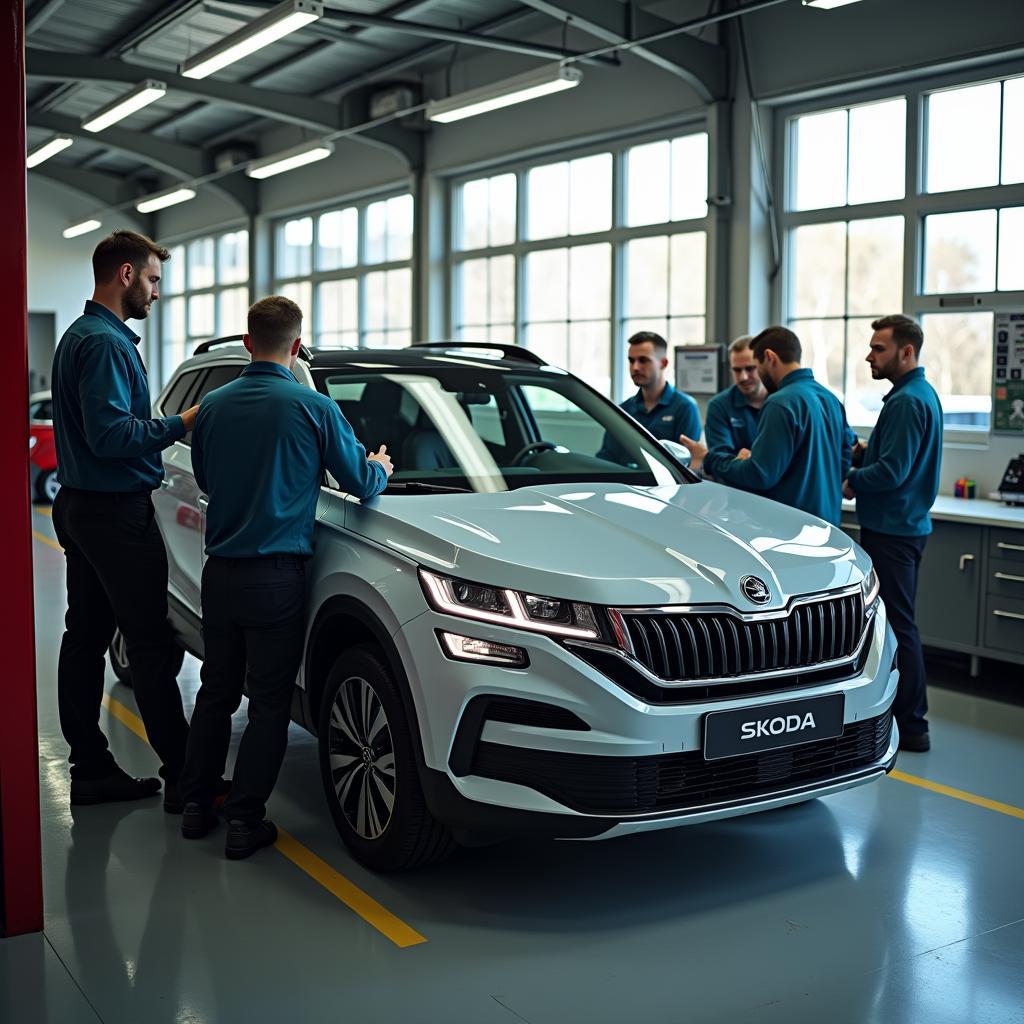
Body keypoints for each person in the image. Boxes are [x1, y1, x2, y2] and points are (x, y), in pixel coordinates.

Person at [178, 296, 393, 860]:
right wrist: (383, 467)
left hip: (220, 573)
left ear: (248, 342)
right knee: (270, 701)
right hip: (277, 577)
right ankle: (246, 820)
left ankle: (197, 804)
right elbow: (360, 483)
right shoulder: (312, 407)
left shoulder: (214, 406)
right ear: (297, 346)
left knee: (216, 691)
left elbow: (204, 479)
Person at [51, 229, 196, 807]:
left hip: (83, 508)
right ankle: (187, 778)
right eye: (154, 280)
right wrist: (184, 422)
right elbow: (112, 436)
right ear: (127, 276)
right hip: (114, 515)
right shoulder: (108, 345)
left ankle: (89, 767)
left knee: (84, 637)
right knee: (152, 644)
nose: (157, 293)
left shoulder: (79, 335)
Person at [843, 315, 942, 752]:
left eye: (878, 348)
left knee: (898, 625)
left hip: (893, 529)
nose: (869, 355)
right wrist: (865, 451)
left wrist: (851, 478)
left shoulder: (906, 402)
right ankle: (909, 719)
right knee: (900, 621)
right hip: (905, 525)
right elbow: (894, 457)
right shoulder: (917, 395)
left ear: (906, 351)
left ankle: (913, 726)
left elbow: (892, 472)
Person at [678, 326, 855, 526]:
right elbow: (844, 459)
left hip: (789, 527)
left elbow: (760, 475)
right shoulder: (831, 399)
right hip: (828, 524)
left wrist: (709, 458)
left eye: (755, 366)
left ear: (769, 357)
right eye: (737, 370)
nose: (750, 376)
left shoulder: (780, 402)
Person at [596, 331, 701, 464]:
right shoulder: (623, 410)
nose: (635, 367)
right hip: (624, 483)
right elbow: (606, 457)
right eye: (631, 360)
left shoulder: (685, 408)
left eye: (643, 360)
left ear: (663, 363)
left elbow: (686, 465)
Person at [703, 335, 768, 460]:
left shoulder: (781, 402)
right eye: (737, 370)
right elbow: (719, 461)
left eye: (750, 369)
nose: (743, 377)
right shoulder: (719, 406)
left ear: (763, 365)